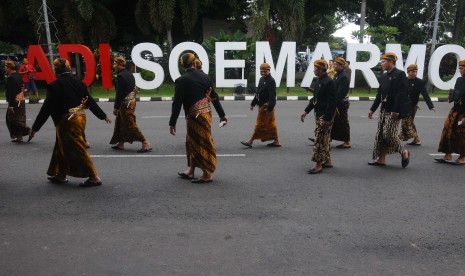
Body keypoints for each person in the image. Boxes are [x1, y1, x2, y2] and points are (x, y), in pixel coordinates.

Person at [29, 58, 112, 187]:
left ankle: (94, 177)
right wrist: (103, 116)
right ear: (68, 69)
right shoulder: (79, 83)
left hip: (67, 121)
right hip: (80, 118)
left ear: (56, 70)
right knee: (61, 147)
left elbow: (46, 109)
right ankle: (61, 175)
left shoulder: (54, 86)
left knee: (77, 148)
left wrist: (35, 128)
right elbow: (90, 101)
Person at [169, 53, 228, 183]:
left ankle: (207, 174)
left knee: (200, 142)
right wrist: (222, 115)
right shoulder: (205, 77)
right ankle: (191, 170)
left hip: (194, 116)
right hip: (206, 114)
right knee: (192, 141)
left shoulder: (181, 80)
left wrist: (172, 122)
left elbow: (177, 103)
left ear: (182, 64)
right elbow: (214, 97)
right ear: (194, 62)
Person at [368, 52, 410, 168]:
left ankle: (403, 152)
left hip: (394, 110)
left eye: (383, 61)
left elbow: (401, 94)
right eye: (381, 61)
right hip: (384, 109)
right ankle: (381, 159)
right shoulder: (384, 76)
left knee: (389, 134)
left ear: (391, 61)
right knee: (381, 135)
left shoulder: (400, 74)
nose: (381, 64)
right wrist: (372, 109)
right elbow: (379, 94)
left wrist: (396, 109)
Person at [301, 59, 338, 174]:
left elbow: (332, 103)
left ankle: (318, 165)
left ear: (321, 69)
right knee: (325, 138)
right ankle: (328, 161)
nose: (314, 70)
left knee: (320, 140)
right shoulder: (318, 81)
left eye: (316, 68)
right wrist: (306, 111)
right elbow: (315, 99)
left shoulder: (329, 82)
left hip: (325, 115)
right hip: (319, 113)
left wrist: (327, 119)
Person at [109, 56, 152, 152]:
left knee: (130, 123)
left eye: (115, 64)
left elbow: (119, 93)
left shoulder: (120, 76)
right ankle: (121, 143)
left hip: (125, 104)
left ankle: (145, 142)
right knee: (120, 123)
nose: (114, 66)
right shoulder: (129, 74)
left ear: (120, 64)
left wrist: (116, 107)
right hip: (131, 101)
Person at [241, 60, 281, 147]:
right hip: (261, 105)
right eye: (261, 71)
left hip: (266, 106)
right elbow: (258, 93)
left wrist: (270, 107)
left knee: (260, 123)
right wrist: (253, 103)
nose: (263, 73)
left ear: (269, 70)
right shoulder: (261, 79)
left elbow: (272, 96)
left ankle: (250, 141)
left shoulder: (271, 81)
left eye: (265, 71)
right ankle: (276, 141)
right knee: (271, 124)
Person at [435, 59, 465, 165]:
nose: (460, 70)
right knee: (447, 130)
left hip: (463, 113)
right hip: (455, 110)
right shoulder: (459, 80)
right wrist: (451, 97)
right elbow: (458, 93)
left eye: (462, 68)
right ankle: (447, 155)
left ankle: (462, 157)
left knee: (461, 134)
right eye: (459, 68)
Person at [398, 64, 435, 145]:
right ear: (408, 72)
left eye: (415, 71)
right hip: (403, 105)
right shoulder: (403, 80)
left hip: (412, 106)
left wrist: (431, 106)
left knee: (408, 121)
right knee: (408, 122)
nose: (414, 73)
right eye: (412, 71)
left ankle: (415, 138)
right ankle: (415, 139)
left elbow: (425, 94)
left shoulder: (419, 82)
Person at [5, 60, 30, 142]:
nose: (5, 68)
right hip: (21, 100)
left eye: (6, 67)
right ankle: (19, 137)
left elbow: (11, 92)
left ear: (9, 68)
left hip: (15, 101)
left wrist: (11, 105)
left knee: (13, 119)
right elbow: (23, 87)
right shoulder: (18, 76)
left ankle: (29, 131)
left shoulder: (11, 78)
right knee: (20, 118)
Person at [330, 57, 352, 148]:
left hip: (341, 103)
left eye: (336, 64)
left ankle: (347, 141)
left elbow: (341, 93)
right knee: (333, 121)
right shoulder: (337, 74)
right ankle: (327, 138)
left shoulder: (344, 76)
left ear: (342, 66)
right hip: (336, 101)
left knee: (343, 122)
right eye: (334, 64)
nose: (334, 66)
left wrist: (334, 102)